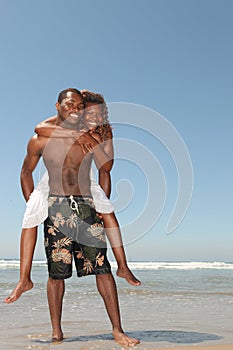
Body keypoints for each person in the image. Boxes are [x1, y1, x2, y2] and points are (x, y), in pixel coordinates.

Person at [6, 88, 140, 347]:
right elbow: (26, 171)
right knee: (56, 274)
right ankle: (56, 332)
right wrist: (32, 202)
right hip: (55, 207)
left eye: (80, 105)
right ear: (57, 105)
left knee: (103, 269)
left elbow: (106, 169)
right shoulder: (42, 138)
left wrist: (94, 139)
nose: (76, 109)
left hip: (86, 205)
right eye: (70, 104)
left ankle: (117, 330)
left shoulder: (93, 135)